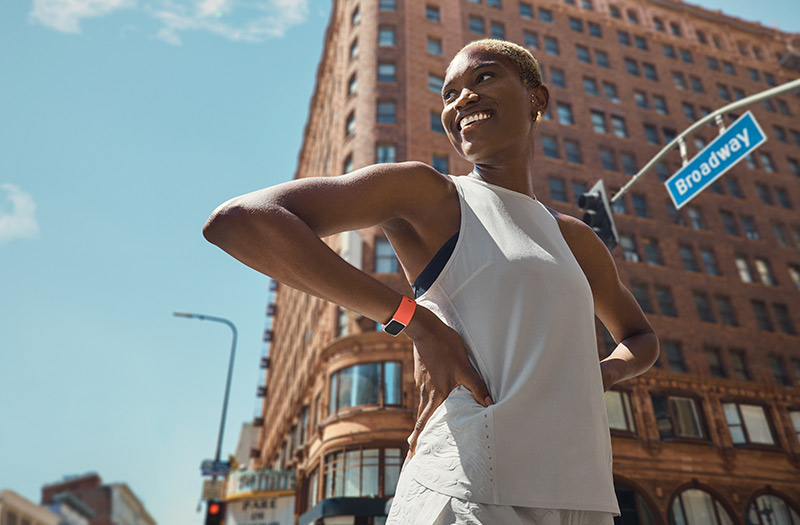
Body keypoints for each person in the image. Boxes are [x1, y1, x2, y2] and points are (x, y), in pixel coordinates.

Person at [203, 38, 659, 524]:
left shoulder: (575, 237)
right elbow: (239, 221)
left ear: (536, 99)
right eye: (449, 93)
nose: (462, 98)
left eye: (483, 78)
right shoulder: (432, 196)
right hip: (471, 491)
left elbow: (641, 337)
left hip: (584, 495)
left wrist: (602, 372)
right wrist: (414, 321)